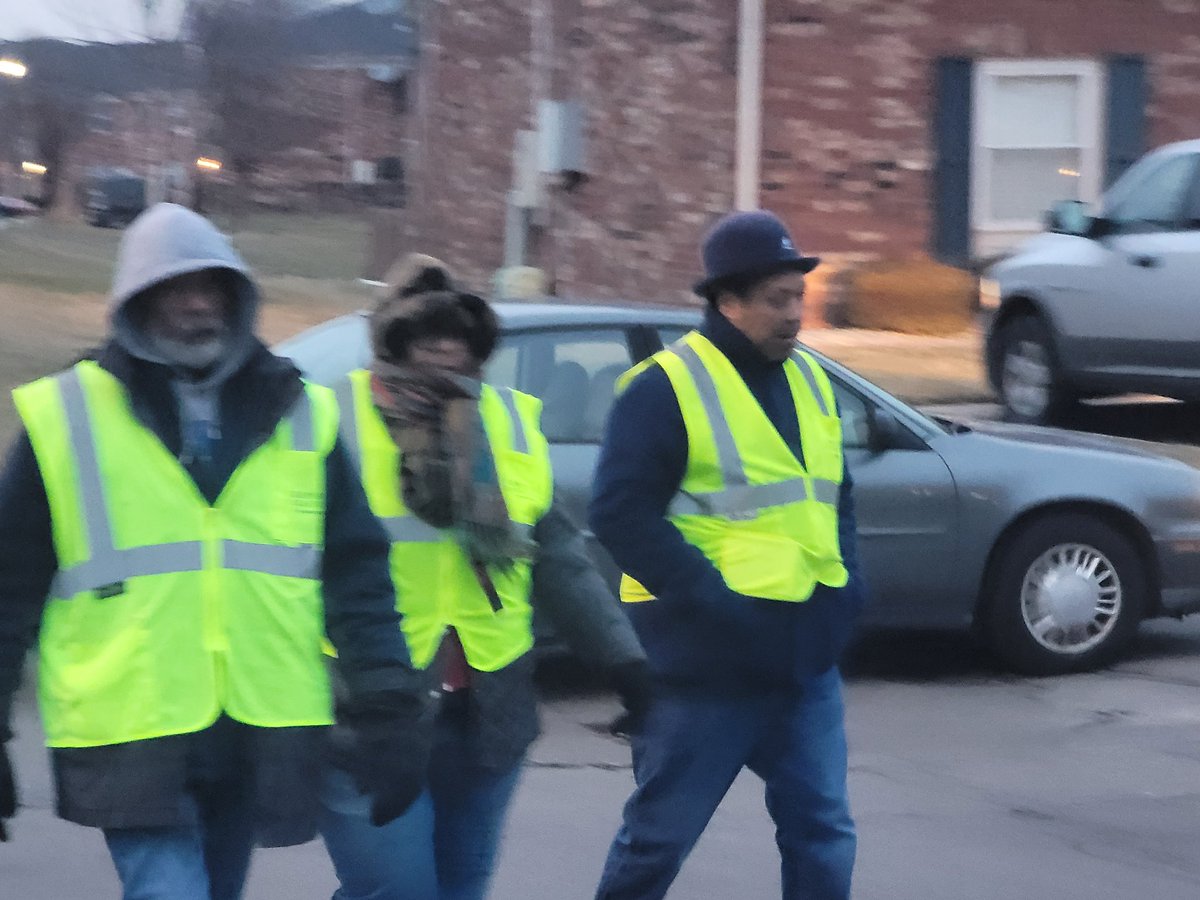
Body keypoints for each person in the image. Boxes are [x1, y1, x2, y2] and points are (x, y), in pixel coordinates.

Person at [0, 203, 429, 899]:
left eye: (212, 287)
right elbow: (8, 587)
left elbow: (357, 576)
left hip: (257, 729)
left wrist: (388, 705)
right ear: (137, 304)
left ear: (237, 298)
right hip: (132, 728)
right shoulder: (66, 416)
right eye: (176, 289)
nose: (198, 305)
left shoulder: (299, 412)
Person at [319, 255, 652, 900]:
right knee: (399, 892)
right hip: (368, 710)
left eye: (460, 336)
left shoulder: (507, 419)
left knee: (459, 889)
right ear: (392, 339)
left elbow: (557, 556)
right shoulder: (330, 418)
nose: (446, 349)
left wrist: (626, 663)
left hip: (488, 711)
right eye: (426, 335)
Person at [590, 210, 867, 900]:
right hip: (704, 668)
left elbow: (836, 497)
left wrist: (848, 591)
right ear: (727, 301)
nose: (794, 313)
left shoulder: (811, 380)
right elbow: (620, 516)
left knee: (824, 835)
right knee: (657, 843)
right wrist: (713, 602)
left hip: (803, 662)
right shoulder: (664, 388)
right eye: (777, 299)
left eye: (799, 296)